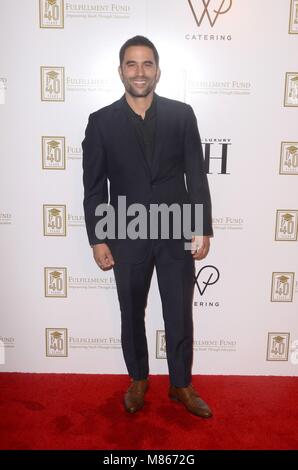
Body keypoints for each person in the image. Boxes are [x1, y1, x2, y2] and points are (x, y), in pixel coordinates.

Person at [82, 36, 213, 418]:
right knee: (131, 311)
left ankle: (181, 384)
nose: (140, 72)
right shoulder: (101, 122)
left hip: (175, 231)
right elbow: (94, 188)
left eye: (147, 64)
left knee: (178, 311)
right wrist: (98, 238)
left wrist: (201, 226)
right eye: (131, 64)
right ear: (120, 70)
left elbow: (196, 175)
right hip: (126, 233)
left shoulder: (182, 114)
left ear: (158, 70)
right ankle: (138, 378)